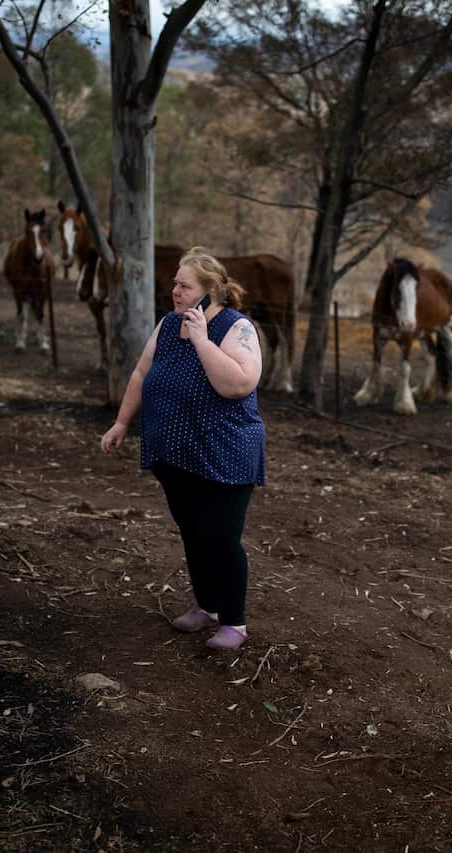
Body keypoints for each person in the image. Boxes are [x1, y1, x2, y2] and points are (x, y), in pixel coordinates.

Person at [100, 247, 266, 650]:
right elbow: (141, 371)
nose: (174, 290)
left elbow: (239, 383)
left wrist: (201, 340)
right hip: (174, 454)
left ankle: (235, 622)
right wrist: (122, 421)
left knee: (221, 538)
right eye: (175, 283)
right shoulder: (167, 324)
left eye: (184, 285)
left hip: (225, 453)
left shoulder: (236, 328)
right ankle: (207, 606)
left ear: (210, 291)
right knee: (193, 533)